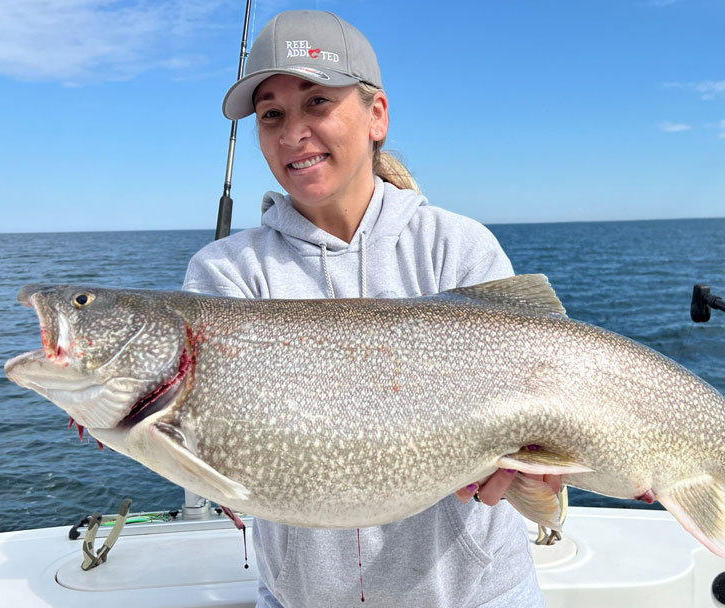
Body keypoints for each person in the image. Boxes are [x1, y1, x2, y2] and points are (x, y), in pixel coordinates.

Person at [183, 10, 549, 607]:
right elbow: (218, 448)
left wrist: (537, 467)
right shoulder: (225, 272)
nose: (291, 131)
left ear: (376, 115)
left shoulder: (458, 248)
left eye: (317, 103)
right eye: (271, 114)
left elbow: (535, 408)